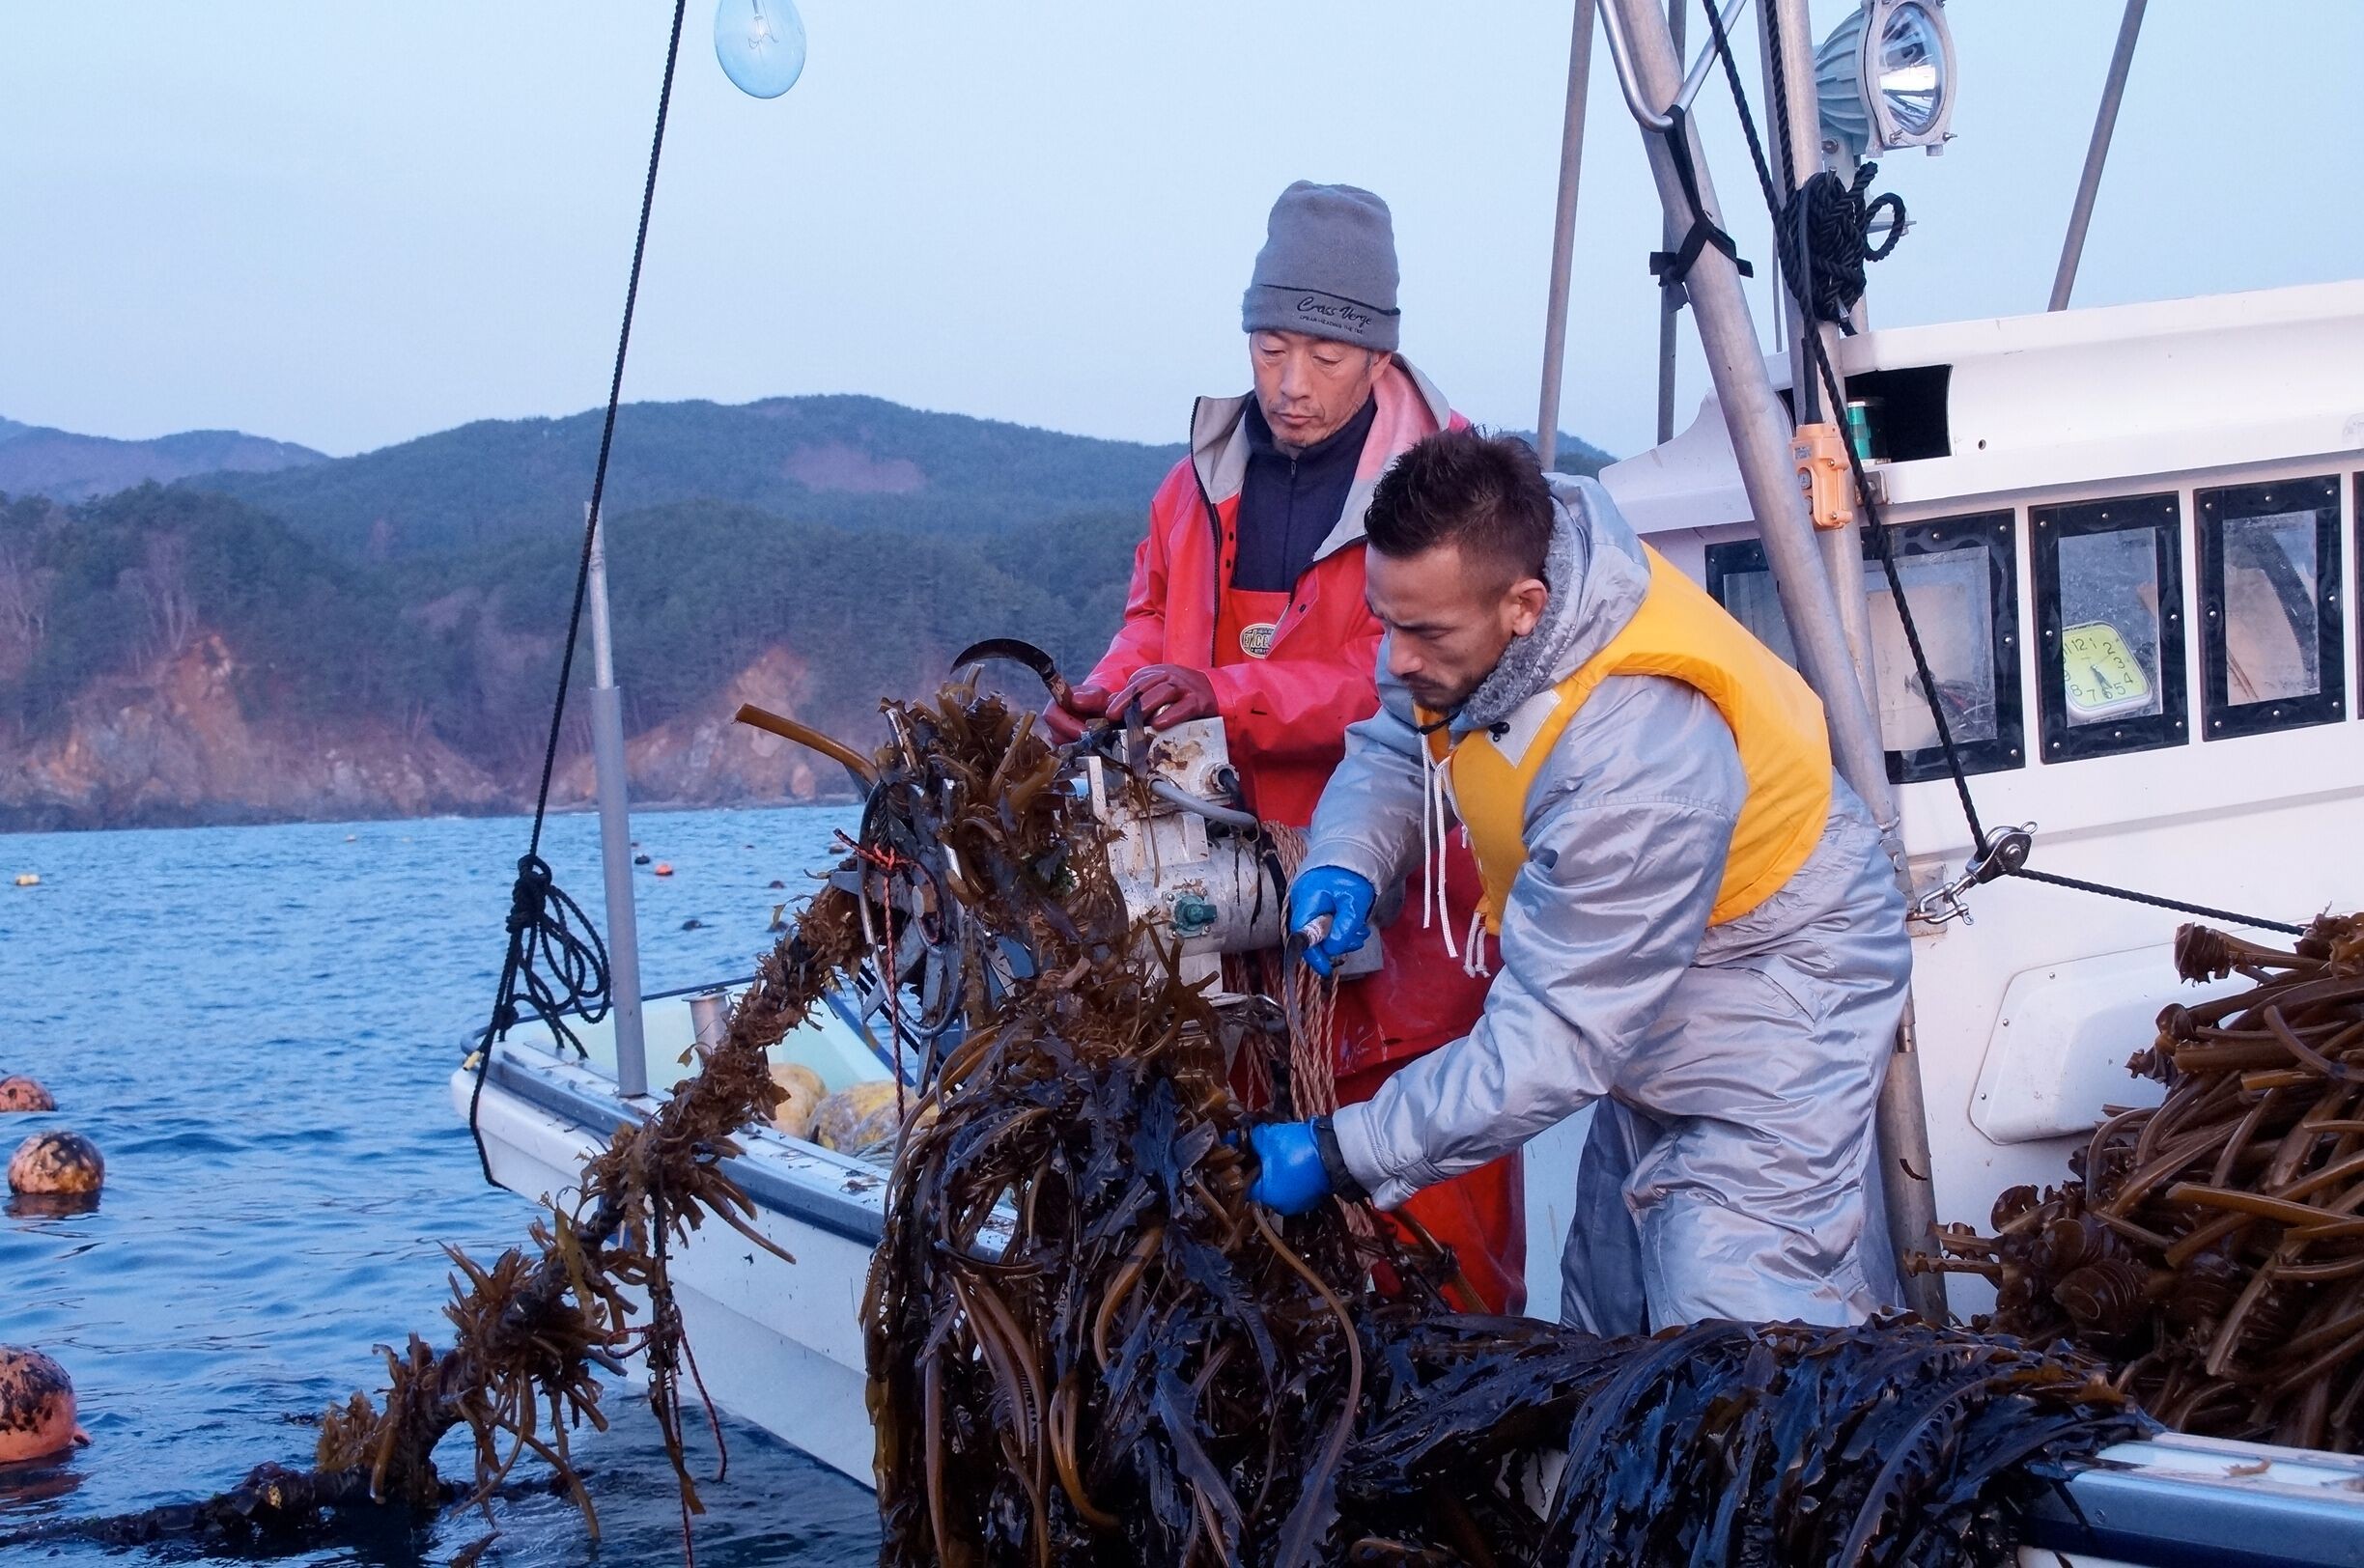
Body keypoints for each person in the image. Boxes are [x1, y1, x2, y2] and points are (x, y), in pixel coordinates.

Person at [1246, 428, 1911, 1332]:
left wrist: (1342, 1148)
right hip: (1635, 957)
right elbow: (1403, 737)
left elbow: (1556, 1038)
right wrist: (1346, 858)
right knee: (1612, 1295)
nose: (1396, 659)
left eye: (1423, 632)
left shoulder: (1637, 756)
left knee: (1729, 1304)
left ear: (1526, 605)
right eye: (1386, 622)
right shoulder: (1467, 612)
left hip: (1784, 973)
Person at [1044, 182, 1524, 1311]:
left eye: (1323, 355)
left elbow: (1402, 672)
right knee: (1258, 1251)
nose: (1291, 385)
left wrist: (1227, 689)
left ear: (1380, 353)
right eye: (1270, 348)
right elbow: (1153, 619)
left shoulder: (1452, 491)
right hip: (1228, 925)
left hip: (1407, 930)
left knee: (1437, 1243)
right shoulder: (1193, 484)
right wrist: (1107, 690)